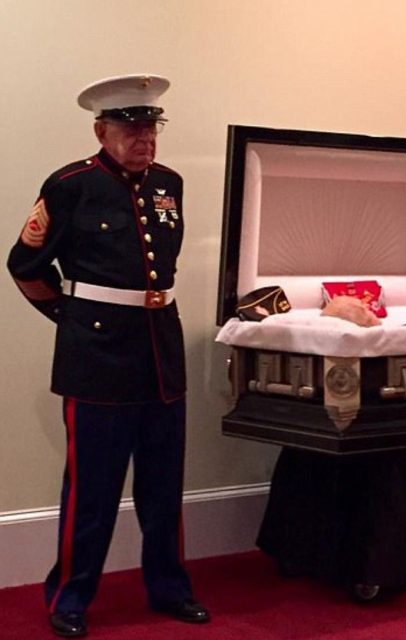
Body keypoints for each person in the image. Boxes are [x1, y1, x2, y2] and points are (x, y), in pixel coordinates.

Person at [7, 74, 209, 637]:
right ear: (102, 129)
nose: (143, 137)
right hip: (96, 359)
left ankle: (169, 588)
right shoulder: (71, 185)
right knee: (92, 492)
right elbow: (23, 266)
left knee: (164, 488)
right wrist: (70, 323)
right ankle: (69, 598)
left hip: (159, 356)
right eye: (130, 126)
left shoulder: (170, 183)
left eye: (151, 126)